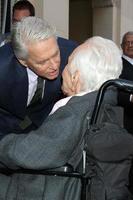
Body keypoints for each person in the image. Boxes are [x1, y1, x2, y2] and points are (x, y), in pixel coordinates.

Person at [0, 36, 131, 200]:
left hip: (49, 189)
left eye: (67, 64)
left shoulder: (77, 110)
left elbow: (31, 153)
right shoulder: (108, 102)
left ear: (75, 77)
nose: (61, 68)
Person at [0, 16, 76, 134]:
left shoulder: (72, 53)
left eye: (56, 54)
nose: (54, 66)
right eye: (43, 62)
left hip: (45, 125)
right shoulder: (3, 68)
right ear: (23, 61)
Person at [118, 31, 133, 133]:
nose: (130, 45)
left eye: (132, 42)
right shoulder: (117, 65)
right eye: (127, 43)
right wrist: (131, 97)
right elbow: (114, 90)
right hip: (127, 118)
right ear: (122, 46)